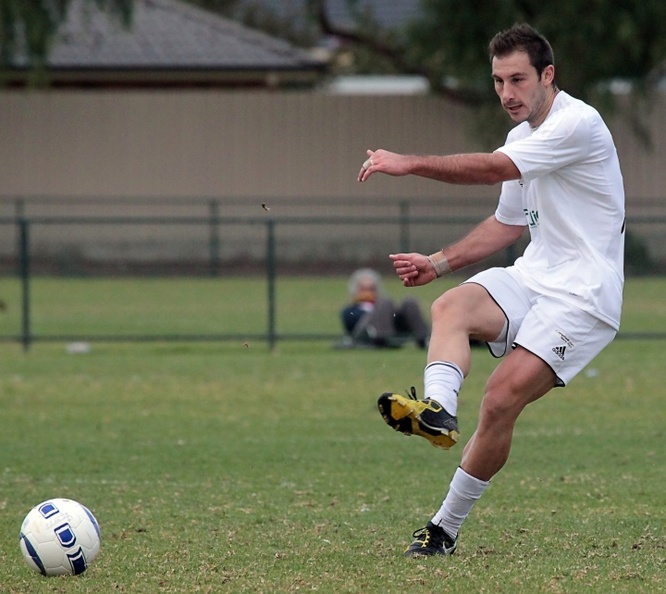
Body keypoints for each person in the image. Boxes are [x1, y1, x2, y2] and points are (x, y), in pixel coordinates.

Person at [357, 23, 625, 557]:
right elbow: (507, 224)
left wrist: (409, 163)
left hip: (584, 297)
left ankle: (443, 529)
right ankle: (436, 410)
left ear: (548, 76)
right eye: (499, 81)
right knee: (449, 305)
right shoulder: (521, 136)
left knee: (501, 400)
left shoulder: (579, 124)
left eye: (518, 79)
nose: (507, 93)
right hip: (535, 276)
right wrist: (439, 262)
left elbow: (491, 170)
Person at [340, 268, 429, 348]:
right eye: (364, 289)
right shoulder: (350, 310)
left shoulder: (381, 303)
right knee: (385, 302)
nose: (367, 292)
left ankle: (424, 339)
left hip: (393, 327)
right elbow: (352, 324)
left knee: (409, 302)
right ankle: (385, 339)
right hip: (367, 333)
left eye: (371, 289)